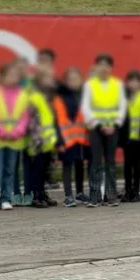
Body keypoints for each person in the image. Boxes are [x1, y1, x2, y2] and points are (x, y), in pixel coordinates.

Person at [0, 60, 32, 212]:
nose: (12, 78)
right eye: (9, 75)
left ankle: (6, 199)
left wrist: (17, 131)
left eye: (15, 75)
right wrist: (1, 132)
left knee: (10, 170)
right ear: (2, 76)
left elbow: (25, 116)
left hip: (15, 139)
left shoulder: (23, 94)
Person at [81, 54, 126, 206]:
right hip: (96, 128)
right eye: (101, 65)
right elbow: (86, 107)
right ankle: (95, 197)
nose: (104, 68)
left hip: (113, 129)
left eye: (107, 65)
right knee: (95, 162)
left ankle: (111, 195)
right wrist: (98, 124)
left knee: (110, 162)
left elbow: (122, 106)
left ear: (111, 68)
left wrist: (115, 124)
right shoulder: (90, 85)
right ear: (96, 67)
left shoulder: (117, 84)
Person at [26, 64, 61, 207]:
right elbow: (31, 119)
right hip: (38, 139)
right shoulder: (34, 95)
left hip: (49, 139)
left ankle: (43, 194)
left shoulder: (51, 96)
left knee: (46, 168)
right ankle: (36, 195)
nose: (50, 80)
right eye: (47, 77)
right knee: (37, 168)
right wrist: (36, 139)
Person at [56, 67, 89, 205]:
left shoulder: (84, 95)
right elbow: (57, 120)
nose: (74, 82)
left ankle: (80, 192)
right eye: (71, 80)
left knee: (80, 165)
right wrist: (59, 141)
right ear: (65, 81)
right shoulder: (60, 97)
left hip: (82, 137)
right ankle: (68, 195)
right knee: (67, 166)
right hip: (67, 139)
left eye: (76, 79)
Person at [120, 69, 140, 203]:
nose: (133, 84)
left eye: (136, 81)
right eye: (131, 81)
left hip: (139, 136)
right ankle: (128, 191)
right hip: (127, 135)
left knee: (137, 165)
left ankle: (136, 191)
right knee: (127, 165)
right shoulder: (124, 96)